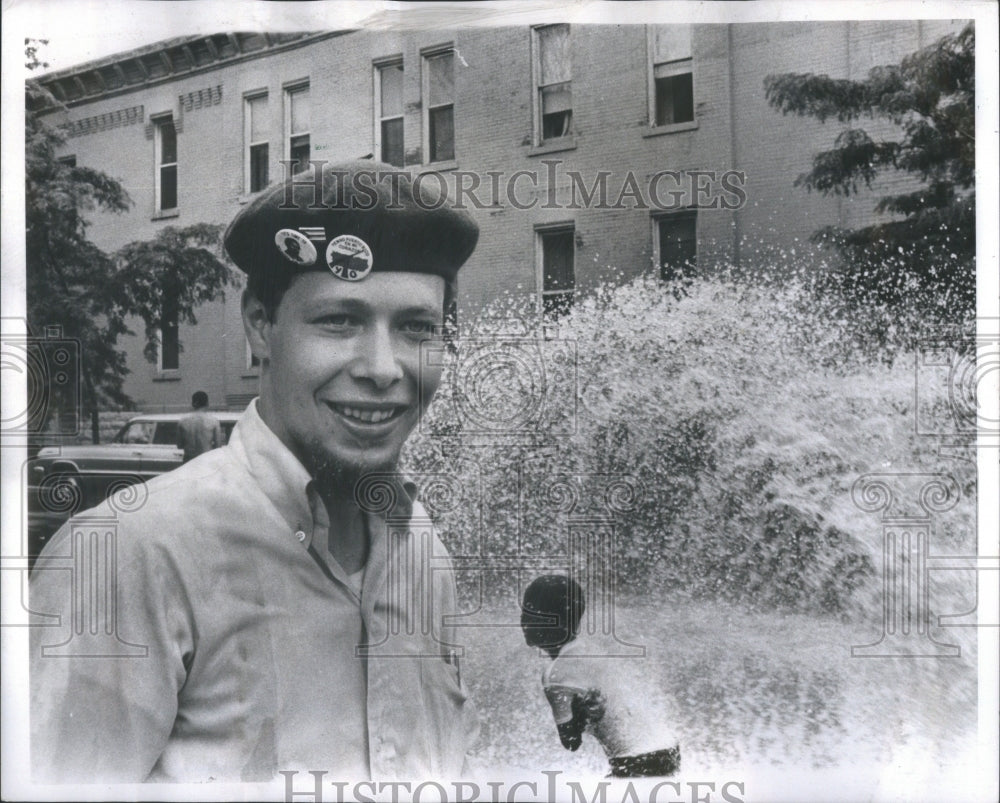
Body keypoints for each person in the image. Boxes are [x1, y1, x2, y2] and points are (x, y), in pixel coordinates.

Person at [30, 160, 480, 783]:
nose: (383, 367)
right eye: (339, 321)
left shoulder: (421, 548)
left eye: (416, 328)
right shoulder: (126, 557)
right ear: (260, 326)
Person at [521, 574, 681, 778]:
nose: (524, 623)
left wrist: (580, 715)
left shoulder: (555, 676)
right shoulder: (589, 649)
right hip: (668, 748)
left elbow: (570, 742)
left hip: (636, 761)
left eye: (530, 615)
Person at [176, 390, 223, 462]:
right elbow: (218, 446)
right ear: (207, 403)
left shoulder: (182, 421)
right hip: (206, 460)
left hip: (189, 461)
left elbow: (179, 445)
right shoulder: (214, 421)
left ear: (193, 403)